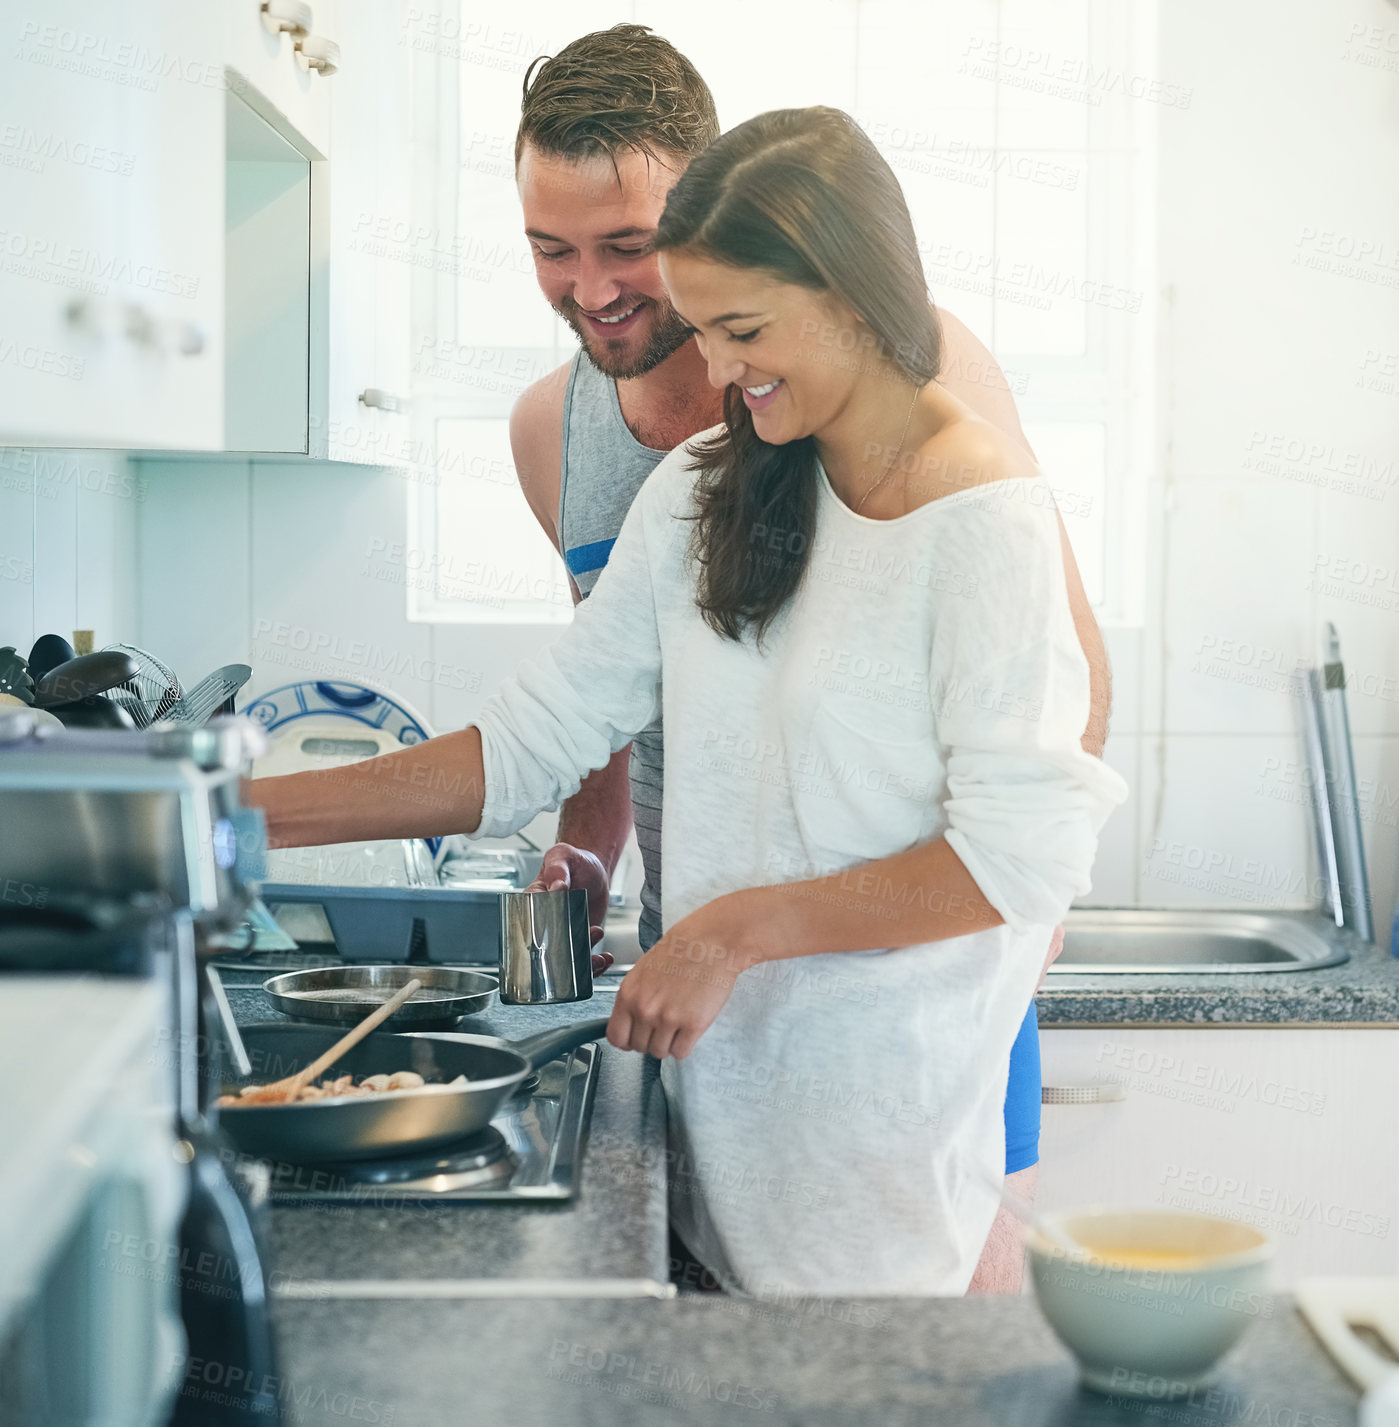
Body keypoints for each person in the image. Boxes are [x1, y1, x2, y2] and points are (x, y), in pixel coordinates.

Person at [246, 103, 1128, 1297]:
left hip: (881, 1156)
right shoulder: (708, 482)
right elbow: (527, 740)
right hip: (717, 1117)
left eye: (744, 329)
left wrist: (728, 929)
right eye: (704, 329)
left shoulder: (981, 521)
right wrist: (240, 814)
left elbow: (1017, 863)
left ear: (856, 295)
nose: (715, 370)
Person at [505, 25, 1110, 1293]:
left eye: (626, 246)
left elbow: (1067, 688)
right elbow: (606, 698)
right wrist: (587, 857)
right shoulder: (553, 427)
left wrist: (997, 923)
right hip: (718, 972)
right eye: (551, 250)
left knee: (937, 1340)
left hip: (893, 965)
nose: (595, 288)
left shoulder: (914, 372)